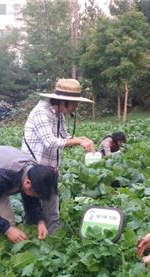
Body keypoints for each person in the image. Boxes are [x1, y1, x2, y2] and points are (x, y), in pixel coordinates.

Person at [22, 79, 95, 234]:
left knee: (51, 209)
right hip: (34, 169)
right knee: (35, 208)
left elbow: (65, 136)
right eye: (74, 104)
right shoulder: (42, 111)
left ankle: (52, 243)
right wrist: (77, 141)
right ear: (63, 101)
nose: (75, 107)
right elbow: (50, 142)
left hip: (50, 169)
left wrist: (82, 139)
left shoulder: (59, 113)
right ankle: (36, 241)